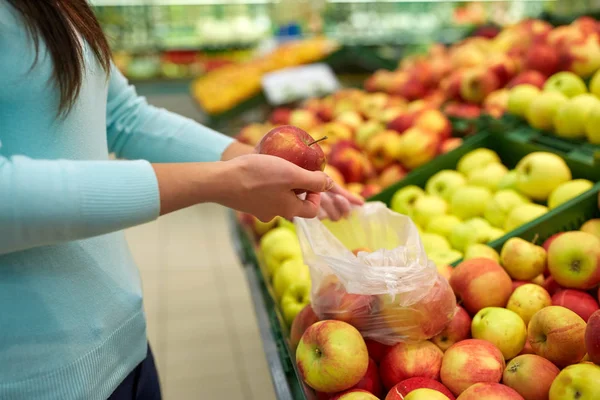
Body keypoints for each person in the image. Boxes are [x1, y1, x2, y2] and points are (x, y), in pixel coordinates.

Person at [0, 1, 363, 399]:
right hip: (31, 378)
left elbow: (121, 115)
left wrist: (253, 162)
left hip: (123, 345)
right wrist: (218, 182)